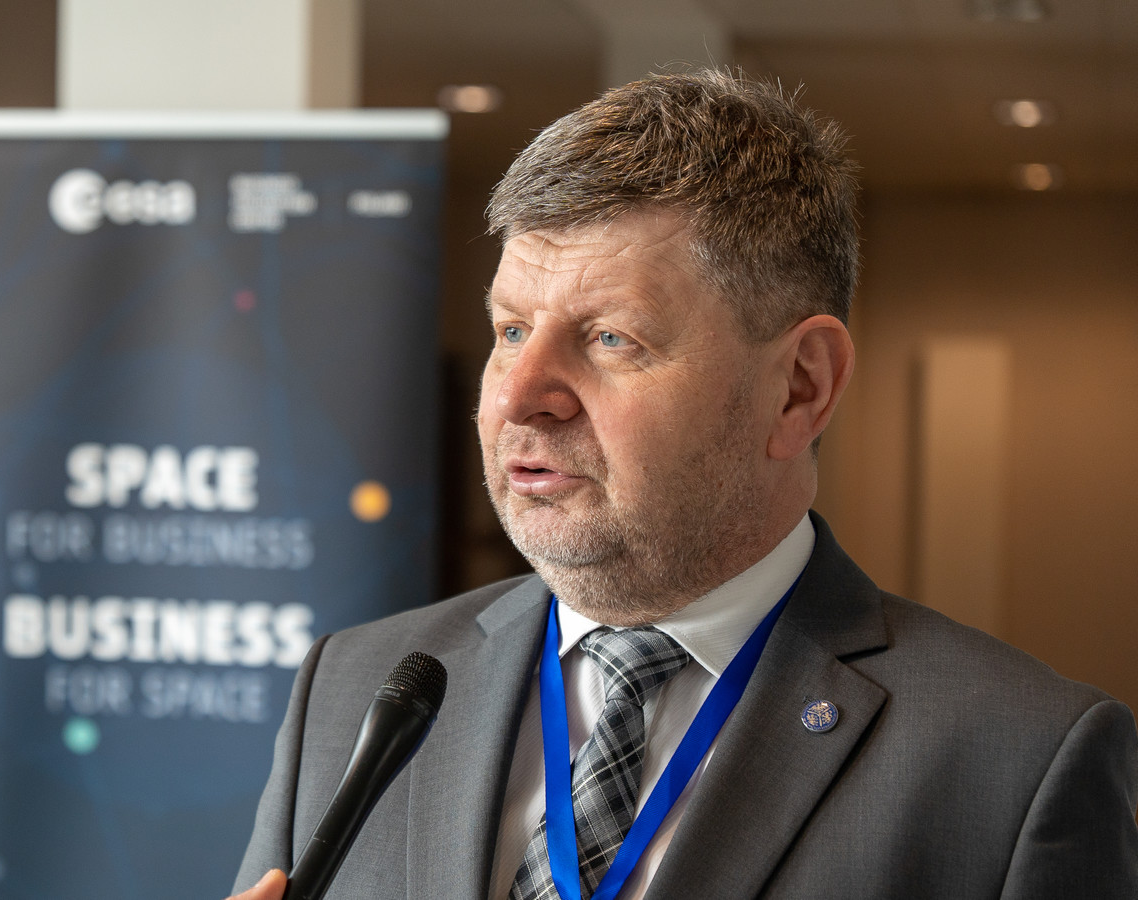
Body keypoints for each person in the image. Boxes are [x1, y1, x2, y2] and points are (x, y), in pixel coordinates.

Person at [228, 69, 1138, 900]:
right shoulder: (352, 690)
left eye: (609, 338)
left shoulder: (1018, 763)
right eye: (511, 331)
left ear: (800, 387)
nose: (518, 396)